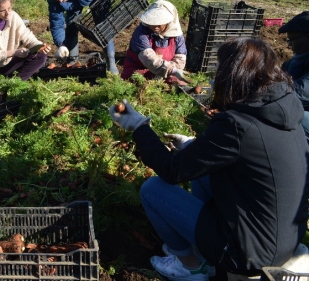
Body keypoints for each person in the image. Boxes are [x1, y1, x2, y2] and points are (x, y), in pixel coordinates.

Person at [110, 37, 309, 279]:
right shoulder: (284, 108)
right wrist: (193, 146)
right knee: (205, 173)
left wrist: (139, 126)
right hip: (282, 237)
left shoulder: (237, 125)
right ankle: (205, 249)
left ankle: (190, 266)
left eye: (221, 69)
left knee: (153, 190)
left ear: (234, 74)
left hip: (249, 253)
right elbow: (252, 158)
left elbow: (172, 170)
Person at [45, 0, 130, 74]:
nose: (60, 1)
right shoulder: (55, 0)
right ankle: (73, 61)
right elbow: (56, 23)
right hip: (74, 4)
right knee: (71, 25)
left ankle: (111, 63)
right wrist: (60, 44)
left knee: (103, 27)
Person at [121, 0, 189, 84]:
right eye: (152, 22)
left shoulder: (177, 36)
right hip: (138, 73)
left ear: (169, 22)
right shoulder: (141, 33)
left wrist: (168, 72)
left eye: (159, 22)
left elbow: (180, 60)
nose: (155, 26)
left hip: (165, 75)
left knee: (180, 84)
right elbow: (149, 59)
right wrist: (172, 70)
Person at [278, 10, 309, 143]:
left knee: (291, 116)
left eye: (292, 40)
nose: (289, 45)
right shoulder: (292, 62)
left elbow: (297, 95)